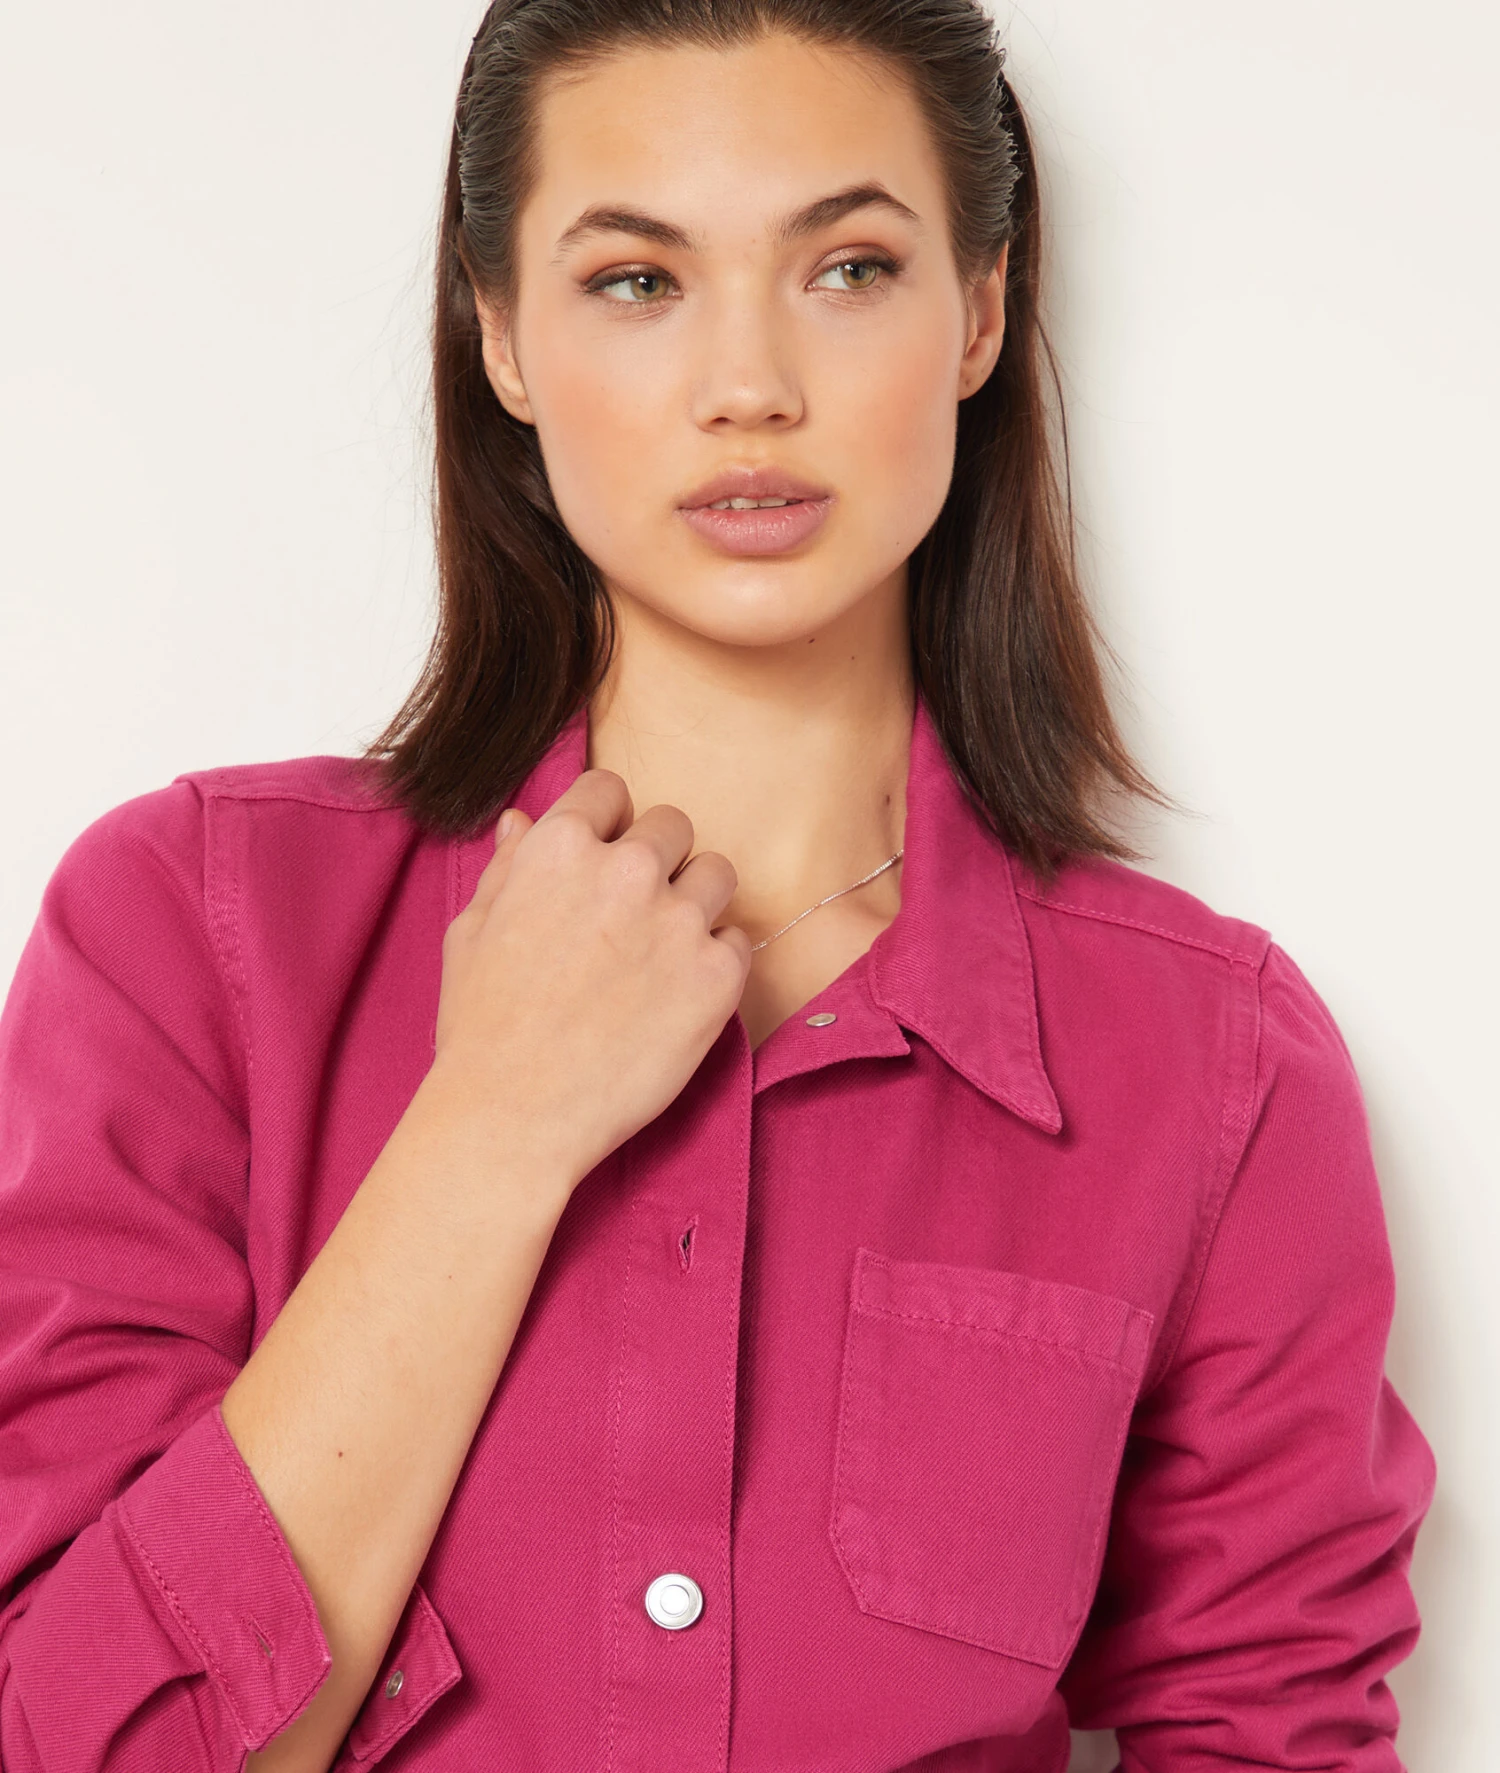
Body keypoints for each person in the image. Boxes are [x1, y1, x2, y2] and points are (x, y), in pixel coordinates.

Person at [0, 2, 1436, 1769]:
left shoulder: (1213, 1067)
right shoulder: (193, 937)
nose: (748, 383)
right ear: (500, 335)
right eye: (636, 281)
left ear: (980, 312)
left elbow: (1271, 1729)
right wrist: (491, 1132)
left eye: (847, 269)